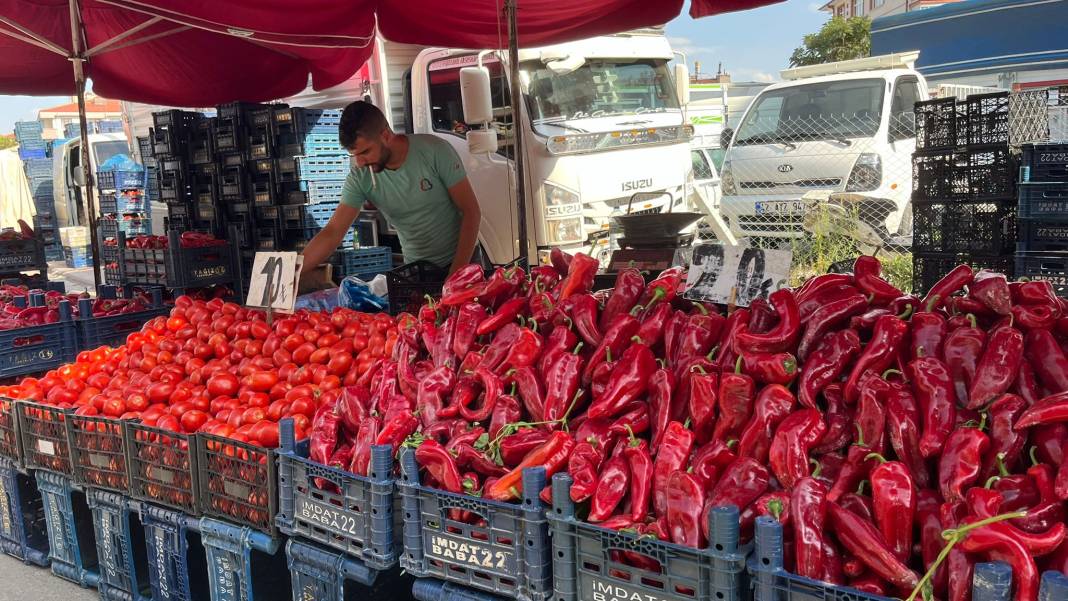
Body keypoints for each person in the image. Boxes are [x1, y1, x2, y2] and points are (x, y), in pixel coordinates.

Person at [299, 101, 482, 284]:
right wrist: (293, 273)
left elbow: (471, 211)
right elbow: (333, 232)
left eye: (365, 152)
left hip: (464, 262)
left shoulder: (435, 151)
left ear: (386, 135)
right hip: (416, 271)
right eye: (354, 155)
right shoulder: (360, 176)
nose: (360, 162)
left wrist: (456, 274)